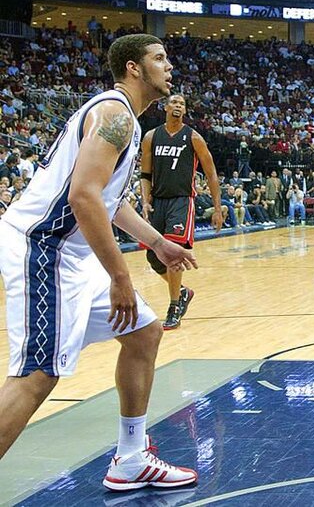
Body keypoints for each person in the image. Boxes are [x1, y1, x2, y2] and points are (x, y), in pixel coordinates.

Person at [0, 34, 199, 490]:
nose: (169, 67)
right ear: (133, 68)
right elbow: (83, 196)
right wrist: (120, 276)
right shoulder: (114, 114)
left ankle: (131, 458)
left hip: (69, 251)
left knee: (144, 331)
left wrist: (157, 244)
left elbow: (107, 201)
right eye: (159, 59)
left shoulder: (124, 118)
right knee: (36, 375)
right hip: (43, 246)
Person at [139, 93, 222, 331]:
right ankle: (183, 292)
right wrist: (145, 201)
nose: (177, 106)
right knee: (153, 256)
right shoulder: (151, 137)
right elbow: (145, 175)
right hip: (159, 201)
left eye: (182, 104)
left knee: (174, 253)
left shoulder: (194, 137)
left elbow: (211, 174)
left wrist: (217, 208)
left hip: (182, 201)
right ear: (165, 107)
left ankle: (174, 305)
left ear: (184, 111)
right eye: (174, 102)